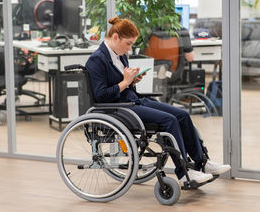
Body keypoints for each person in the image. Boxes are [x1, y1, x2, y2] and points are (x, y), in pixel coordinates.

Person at [85, 16, 231, 185]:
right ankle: (184, 172)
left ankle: (201, 163)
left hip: (133, 101)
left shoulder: (120, 55)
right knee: (169, 121)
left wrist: (133, 81)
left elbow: (121, 85)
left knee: (182, 115)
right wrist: (125, 82)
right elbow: (101, 95)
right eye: (128, 43)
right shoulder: (97, 60)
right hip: (118, 108)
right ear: (116, 37)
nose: (130, 49)